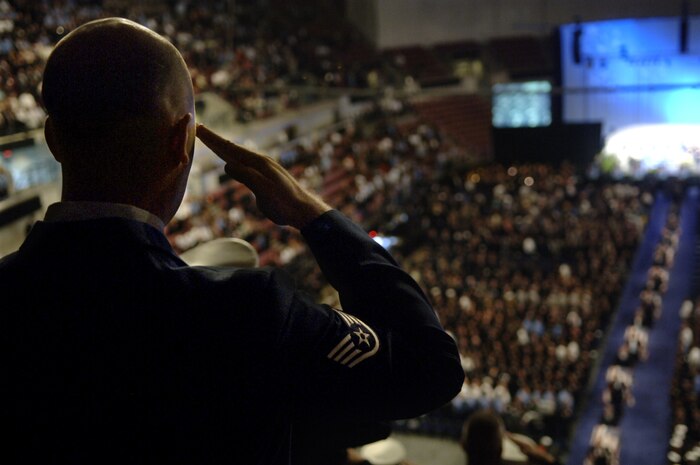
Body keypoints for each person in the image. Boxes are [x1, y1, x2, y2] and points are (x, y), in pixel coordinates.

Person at [0, 18, 464, 464]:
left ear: (53, 139)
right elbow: (429, 367)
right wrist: (313, 214)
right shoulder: (251, 312)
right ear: (182, 141)